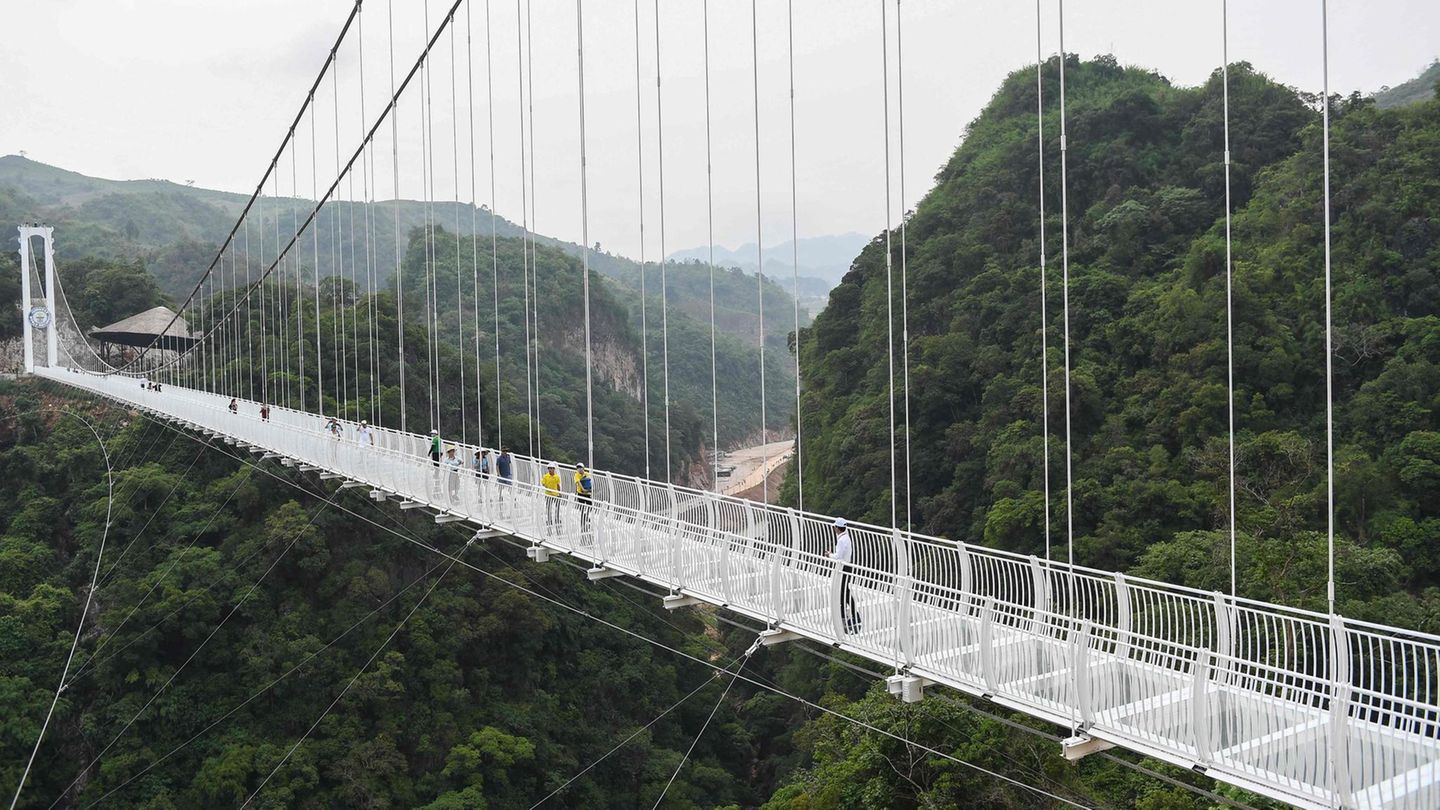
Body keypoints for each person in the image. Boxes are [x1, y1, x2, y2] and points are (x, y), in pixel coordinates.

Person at [831, 518, 861, 634]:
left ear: (837, 528)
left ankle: (848, 614)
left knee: (842, 591)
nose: (834, 529)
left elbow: (838, 556)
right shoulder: (846, 538)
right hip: (847, 566)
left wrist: (829, 555)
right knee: (844, 590)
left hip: (843, 567)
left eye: (835, 527)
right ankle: (850, 614)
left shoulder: (842, 540)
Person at [541, 462, 562, 531]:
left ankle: (557, 519)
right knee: (549, 508)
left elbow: (558, 485)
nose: (551, 470)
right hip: (548, 494)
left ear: (554, 469)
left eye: (552, 468)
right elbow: (543, 483)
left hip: (555, 494)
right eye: (549, 468)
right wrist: (546, 486)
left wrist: (559, 493)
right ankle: (549, 519)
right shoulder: (545, 476)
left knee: (557, 508)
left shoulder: (557, 477)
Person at [573, 463, 594, 533]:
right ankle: (583, 519)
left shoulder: (587, 474)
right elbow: (578, 482)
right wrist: (583, 489)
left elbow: (590, 481)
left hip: (587, 494)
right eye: (578, 468)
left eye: (580, 467)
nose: (579, 469)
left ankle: (586, 516)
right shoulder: (576, 475)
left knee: (590, 506)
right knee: (582, 507)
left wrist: (589, 489)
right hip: (581, 493)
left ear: (583, 468)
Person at [495, 447, 514, 513]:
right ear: (501, 452)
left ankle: (512, 497)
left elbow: (509, 464)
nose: (505, 452)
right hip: (502, 475)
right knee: (500, 487)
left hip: (507, 474)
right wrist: (498, 474)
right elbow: (497, 466)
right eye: (504, 451)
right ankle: (500, 496)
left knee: (510, 486)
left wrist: (510, 473)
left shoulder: (508, 457)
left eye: (506, 451)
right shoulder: (499, 458)